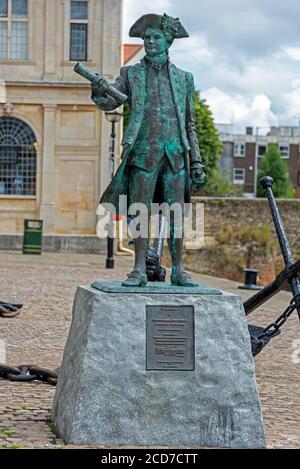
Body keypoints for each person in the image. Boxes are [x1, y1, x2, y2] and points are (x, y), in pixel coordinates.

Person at [92, 13, 205, 287]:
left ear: (168, 41)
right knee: (139, 211)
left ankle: (178, 269)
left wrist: (197, 161)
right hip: (143, 154)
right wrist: (98, 91)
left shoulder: (183, 79)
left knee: (176, 214)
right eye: (147, 38)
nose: (150, 42)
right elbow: (110, 101)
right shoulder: (131, 74)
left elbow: (190, 123)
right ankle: (139, 269)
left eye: (156, 37)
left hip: (175, 155)